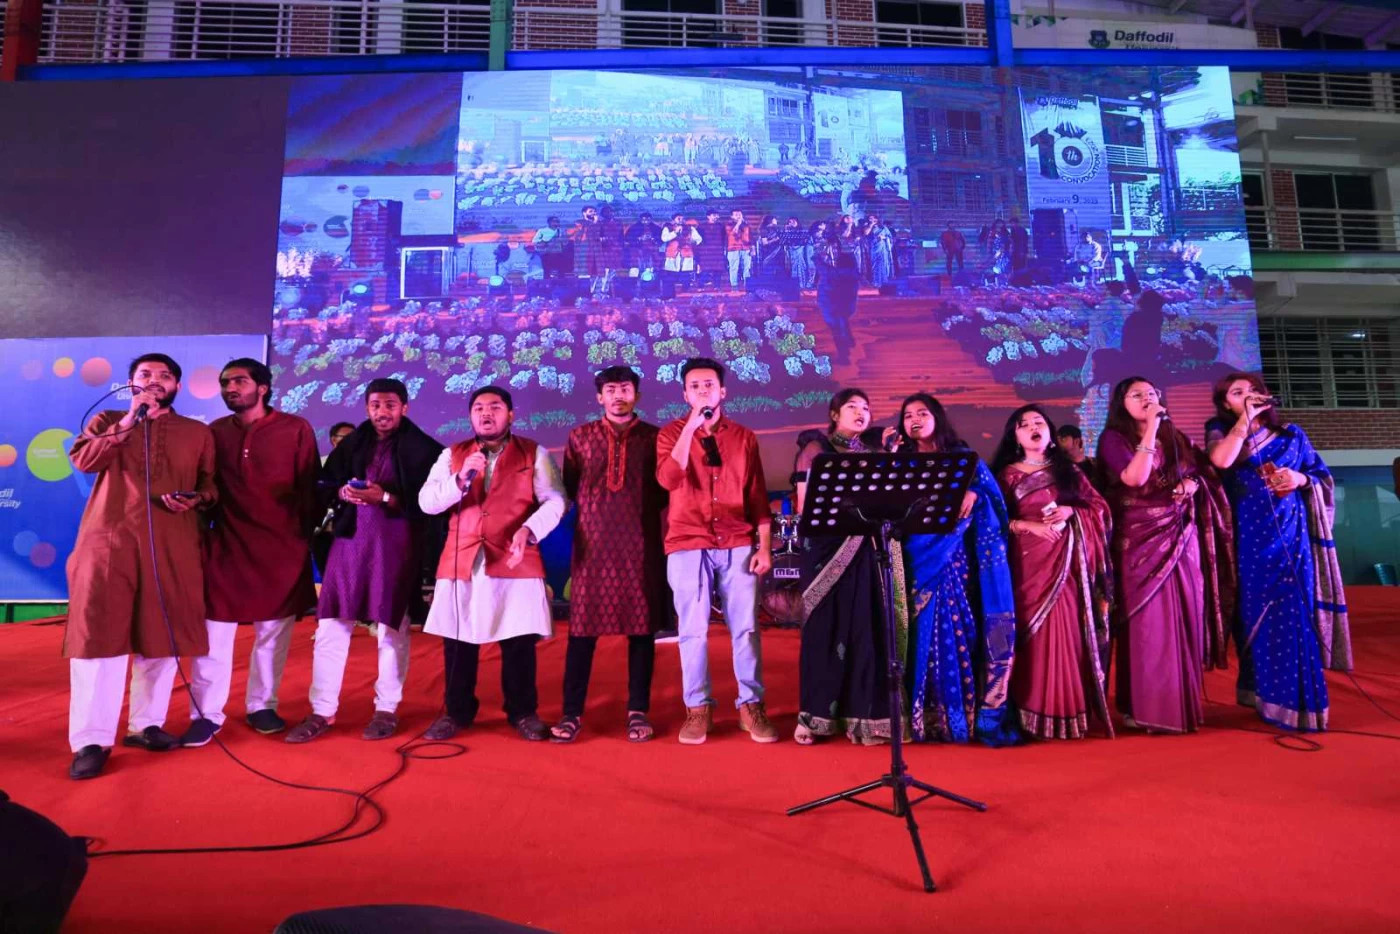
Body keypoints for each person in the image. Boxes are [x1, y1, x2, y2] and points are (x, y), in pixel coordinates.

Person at [65, 353, 217, 780]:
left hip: (172, 545)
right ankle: (91, 740)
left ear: (177, 386)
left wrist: (197, 499)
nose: (154, 381)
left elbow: (210, 486)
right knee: (99, 640)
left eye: (164, 376)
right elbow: (85, 461)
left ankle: (146, 724)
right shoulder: (108, 420)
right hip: (108, 544)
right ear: (130, 383)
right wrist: (131, 419)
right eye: (145, 374)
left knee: (161, 636)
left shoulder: (197, 432)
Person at [286, 378, 444, 744]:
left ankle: (386, 709)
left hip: (396, 546)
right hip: (349, 544)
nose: (382, 412)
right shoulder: (354, 442)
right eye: (375, 405)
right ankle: (322, 710)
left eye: (390, 405)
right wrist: (342, 492)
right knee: (331, 624)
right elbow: (326, 484)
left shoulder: (424, 449)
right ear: (366, 408)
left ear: (404, 407)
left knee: (391, 627)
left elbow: (431, 502)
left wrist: (385, 498)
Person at [417, 386, 568, 742]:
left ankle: (522, 712)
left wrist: (530, 530)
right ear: (471, 416)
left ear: (510, 414)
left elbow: (556, 500)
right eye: (479, 408)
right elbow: (427, 502)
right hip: (464, 559)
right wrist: (459, 480)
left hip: (515, 558)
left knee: (518, 639)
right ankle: (456, 712)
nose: (486, 413)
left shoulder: (534, 453)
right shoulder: (452, 455)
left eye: (495, 407)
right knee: (459, 640)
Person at [183, 358, 319, 747]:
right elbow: (205, 485)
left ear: (262, 387)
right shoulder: (214, 432)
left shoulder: (295, 428)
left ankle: (262, 705)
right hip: (226, 547)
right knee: (213, 635)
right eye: (225, 382)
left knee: (272, 636)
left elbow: (309, 487)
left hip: (281, 549)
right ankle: (206, 714)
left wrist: (299, 538)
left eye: (239, 381)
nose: (230, 388)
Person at [1206, 372, 1350, 731]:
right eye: (1237, 392)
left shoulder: (1291, 435)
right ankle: (1261, 694)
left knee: (1293, 618)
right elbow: (1221, 461)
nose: (1248, 395)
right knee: (1252, 619)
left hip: (1290, 541)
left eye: (1254, 390)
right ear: (1225, 404)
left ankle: (1297, 705)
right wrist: (1245, 420)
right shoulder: (1220, 432)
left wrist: (1299, 479)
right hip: (1246, 545)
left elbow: (1320, 477)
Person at [1097, 376, 1234, 734]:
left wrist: (1192, 484)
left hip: (1180, 536)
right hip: (1138, 543)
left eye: (1151, 393)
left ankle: (1180, 706)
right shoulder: (1113, 438)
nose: (1146, 398)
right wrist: (1152, 428)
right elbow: (1135, 479)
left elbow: (1204, 473)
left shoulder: (1178, 438)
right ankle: (1145, 708)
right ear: (1121, 403)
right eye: (1136, 394)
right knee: (1148, 624)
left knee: (1185, 615)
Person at [656, 357, 776, 744]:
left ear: (722, 391)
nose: (702, 391)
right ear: (685, 394)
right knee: (692, 630)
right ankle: (698, 708)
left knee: (746, 628)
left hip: (737, 540)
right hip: (687, 541)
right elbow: (668, 478)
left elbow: (757, 495)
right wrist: (691, 428)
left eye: (709, 384)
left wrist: (764, 546)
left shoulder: (743, 437)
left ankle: (750, 706)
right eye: (694, 386)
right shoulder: (670, 434)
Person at [550, 367, 667, 743]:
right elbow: (569, 489)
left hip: (640, 545)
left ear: (637, 395)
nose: (618, 395)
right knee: (581, 631)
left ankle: (638, 710)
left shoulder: (655, 437)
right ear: (599, 397)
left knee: (642, 630)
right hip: (592, 547)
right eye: (611, 390)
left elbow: (662, 492)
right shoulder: (580, 437)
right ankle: (572, 713)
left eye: (626, 389)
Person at [896, 392, 1018, 746]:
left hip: (951, 559)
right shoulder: (899, 462)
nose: (915, 420)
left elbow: (994, 502)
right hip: (911, 558)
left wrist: (976, 495)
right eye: (908, 415)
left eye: (922, 413)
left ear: (937, 417)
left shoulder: (964, 459)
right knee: (913, 635)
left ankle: (955, 716)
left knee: (952, 628)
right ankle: (916, 717)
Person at [992, 405, 1113, 740]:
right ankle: (1028, 714)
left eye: (1039, 422)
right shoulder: (1005, 476)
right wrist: (1026, 525)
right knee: (1028, 638)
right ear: (1014, 436)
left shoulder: (1068, 472)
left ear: (1050, 432)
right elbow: (992, 522)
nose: (1033, 427)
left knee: (1066, 632)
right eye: (1024, 424)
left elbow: (1100, 509)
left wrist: (1072, 511)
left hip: (1066, 565)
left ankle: (1065, 713)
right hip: (1023, 566)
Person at [791, 389, 892, 745]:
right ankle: (814, 717)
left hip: (865, 548)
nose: (861, 412)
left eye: (866, 407)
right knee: (825, 629)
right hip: (825, 548)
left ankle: (862, 717)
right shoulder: (816, 448)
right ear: (834, 414)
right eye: (852, 406)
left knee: (865, 627)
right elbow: (804, 505)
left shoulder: (874, 454)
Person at [815, 222, 860, 365]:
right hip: (828, 294)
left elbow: (853, 276)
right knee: (835, 323)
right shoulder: (820, 255)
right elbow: (821, 272)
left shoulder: (847, 257)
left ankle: (844, 352)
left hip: (842, 292)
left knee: (839, 321)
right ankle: (844, 349)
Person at [1054, 424, 1101, 490]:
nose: (1058, 443)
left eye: (1063, 439)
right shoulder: (1060, 469)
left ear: (1076, 441)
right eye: (1057, 440)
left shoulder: (1095, 465)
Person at [694, 208, 727, 290]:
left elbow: (724, 238)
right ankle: (701, 286)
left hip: (718, 251)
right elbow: (697, 239)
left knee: (718, 269)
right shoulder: (701, 226)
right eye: (714, 215)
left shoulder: (721, 226)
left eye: (717, 215)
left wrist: (723, 248)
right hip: (706, 251)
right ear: (708, 216)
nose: (716, 217)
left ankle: (717, 286)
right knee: (705, 269)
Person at [725, 209, 753, 289]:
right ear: (732, 216)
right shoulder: (728, 225)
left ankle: (747, 285)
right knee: (734, 268)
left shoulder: (746, 225)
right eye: (736, 215)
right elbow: (733, 233)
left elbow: (751, 237)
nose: (739, 216)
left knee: (747, 267)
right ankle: (734, 286)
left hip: (746, 248)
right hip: (733, 249)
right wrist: (738, 223)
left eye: (740, 214)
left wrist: (752, 248)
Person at [866, 215, 894, 288]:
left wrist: (884, 237)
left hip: (882, 248)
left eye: (874, 218)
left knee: (883, 264)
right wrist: (871, 226)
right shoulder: (867, 227)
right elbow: (866, 234)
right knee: (874, 264)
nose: (872, 220)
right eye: (870, 218)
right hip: (873, 248)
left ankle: (884, 281)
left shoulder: (883, 228)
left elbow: (890, 237)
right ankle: (875, 282)